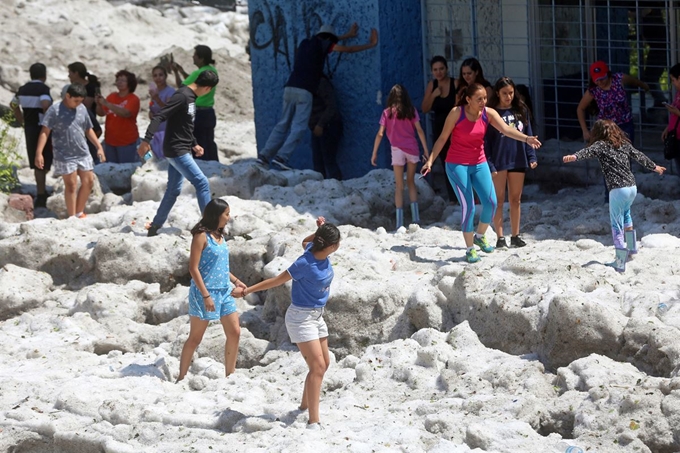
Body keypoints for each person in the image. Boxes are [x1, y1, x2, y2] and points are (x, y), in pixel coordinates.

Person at [421, 83, 542, 263]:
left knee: (492, 203)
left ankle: (479, 235)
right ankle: (470, 249)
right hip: (456, 165)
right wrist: (430, 161)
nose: (483, 102)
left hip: (479, 163)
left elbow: (507, 130)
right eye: (479, 99)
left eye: (485, 98)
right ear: (468, 100)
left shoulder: (488, 113)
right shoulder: (456, 113)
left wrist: (527, 139)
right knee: (468, 207)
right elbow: (442, 139)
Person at [238, 217, 340, 429]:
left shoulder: (314, 248)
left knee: (324, 364)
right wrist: (247, 290)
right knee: (318, 366)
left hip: (316, 316)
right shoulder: (305, 262)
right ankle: (313, 421)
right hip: (301, 318)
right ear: (331, 246)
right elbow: (276, 281)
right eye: (337, 243)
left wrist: (319, 230)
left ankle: (304, 405)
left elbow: (305, 242)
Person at [256, 24, 378, 171]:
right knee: (299, 127)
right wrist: (370, 44)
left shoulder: (305, 44)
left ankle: (264, 156)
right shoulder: (325, 45)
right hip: (304, 90)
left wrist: (347, 35)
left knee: (282, 124)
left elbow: (329, 40)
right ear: (329, 39)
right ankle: (281, 157)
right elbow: (348, 49)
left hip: (289, 88)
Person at [563, 119, 665, 272]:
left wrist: (574, 157)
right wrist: (655, 167)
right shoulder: (623, 144)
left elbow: (586, 152)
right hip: (632, 187)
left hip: (618, 189)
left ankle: (620, 261)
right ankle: (631, 249)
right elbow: (639, 156)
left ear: (597, 133)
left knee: (616, 224)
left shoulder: (601, 145)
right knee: (627, 216)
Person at [137, 70, 219, 237]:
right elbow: (159, 116)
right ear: (208, 88)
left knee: (173, 190)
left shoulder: (190, 97)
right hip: (176, 150)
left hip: (182, 147)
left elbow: (184, 125)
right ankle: (210, 228)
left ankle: (155, 226)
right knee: (202, 183)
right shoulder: (182, 96)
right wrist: (146, 141)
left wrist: (194, 144)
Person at [177, 198, 246, 382]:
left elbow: (220, 266)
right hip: (205, 292)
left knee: (235, 332)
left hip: (224, 291)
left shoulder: (220, 236)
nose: (229, 217)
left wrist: (237, 281)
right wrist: (206, 295)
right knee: (195, 338)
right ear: (217, 215)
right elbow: (193, 268)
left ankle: (230, 376)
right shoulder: (201, 236)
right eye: (226, 214)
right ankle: (181, 377)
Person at [34, 84, 106, 218]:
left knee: (89, 181)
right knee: (71, 185)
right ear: (68, 96)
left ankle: (79, 212)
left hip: (82, 152)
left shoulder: (82, 108)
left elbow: (88, 129)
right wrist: (39, 153)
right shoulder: (54, 110)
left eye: (81, 101)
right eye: (76, 101)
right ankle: (72, 216)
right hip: (64, 154)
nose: (78, 104)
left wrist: (99, 146)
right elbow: (45, 132)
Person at [485, 77, 538, 248]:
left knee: (516, 199)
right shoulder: (492, 113)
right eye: (504, 93)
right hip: (498, 160)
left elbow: (529, 135)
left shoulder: (521, 110)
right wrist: (490, 163)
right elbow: (486, 142)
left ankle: (515, 235)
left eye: (511, 93)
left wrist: (532, 157)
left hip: (518, 159)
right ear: (497, 94)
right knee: (498, 200)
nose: (508, 96)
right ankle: (500, 237)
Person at [371, 84, 429, 229]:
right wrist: (426, 151)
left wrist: (374, 152)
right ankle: (416, 219)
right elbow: (420, 131)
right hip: (412, 149)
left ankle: (399, 222)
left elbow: (380, 133)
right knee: (411, 182)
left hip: (396, 150)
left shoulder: (387, 113)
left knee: (399, 185)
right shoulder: (411, 111)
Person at [10, 63, 53, 208]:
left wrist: (21, 120)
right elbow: (45, 103)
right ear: (44, 75)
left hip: (29, 127)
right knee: (42, 160)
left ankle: (41, 191)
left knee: (36, 161)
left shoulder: (23, 89)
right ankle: (41, 194)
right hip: (41, 128)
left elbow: (13, 104)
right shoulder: (43, 88)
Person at [577, 61, 649, 144]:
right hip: (605, 128)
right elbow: (580, 108)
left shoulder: (619, 79)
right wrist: (585, 130)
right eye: (597, 80)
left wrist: (644, 86)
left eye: (602, 78)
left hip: (625, 124)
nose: (600, 82)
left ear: (607, 74)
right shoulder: (593, 90)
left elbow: (635, 82)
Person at [171, 45, 219, 162]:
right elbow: (196, 81)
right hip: (209, 112)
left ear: (201, 58)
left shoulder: (198, 72)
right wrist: (183, 72)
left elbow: (182, 87)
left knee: (198, 143)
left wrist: (176, 73)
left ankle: (202, 168)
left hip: (198, 113)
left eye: (195, 55)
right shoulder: (212, 70)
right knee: (209, 141)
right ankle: (214, 165)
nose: (193, 57)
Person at [421, 56, 457, 202]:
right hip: (439, 130)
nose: (439, 72)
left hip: (455, 129)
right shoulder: (432, 85)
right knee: (447, 164)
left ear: (446, 69)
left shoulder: (455, 83)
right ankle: (453, 198)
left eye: (441, 68)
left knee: (458, 163)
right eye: (435, 70)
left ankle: (464, 197)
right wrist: (434, 95)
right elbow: (424, 108)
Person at [96, 70, 141, 163]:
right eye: (118, 80)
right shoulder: (111, 96)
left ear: (129, 83)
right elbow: (101, 113)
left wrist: (107, 103)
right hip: (110, 140)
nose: (119, 82)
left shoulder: (133, 99)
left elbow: (125, 113)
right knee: (112, 169)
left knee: (125, 169)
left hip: (127, 141)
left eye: (123, 80)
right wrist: (99, 104)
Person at [66, 62, 103, 165]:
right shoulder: (72, 87)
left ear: (76, 73)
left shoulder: (91, 87)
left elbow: (86, 105)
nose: (68, 76)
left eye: (70, 73)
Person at [308, 74, 343, 180]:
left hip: (328, 126)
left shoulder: (321, 82)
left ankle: (337, 188)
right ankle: (322, 191)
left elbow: (331, 106)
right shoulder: (306, 84)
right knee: (318, 162)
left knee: (329, 161)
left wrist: (320, 124)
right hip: (316, 127)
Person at [148, 65, 176, 159]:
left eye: (160, 75)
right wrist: (150, 114)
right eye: (155, 75)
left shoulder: (170, 91)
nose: (158, 78)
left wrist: (157, 98)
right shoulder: (154, 91)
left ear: (165, 76)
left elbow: (168, 110)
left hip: (167, 130)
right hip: (156, 130)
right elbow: (153, 108)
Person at [661, 63, 680, 172]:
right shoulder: (678, 93)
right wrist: (668, 128)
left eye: (673, 80)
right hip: (676, 137)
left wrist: (676, 112)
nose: (672, 83)